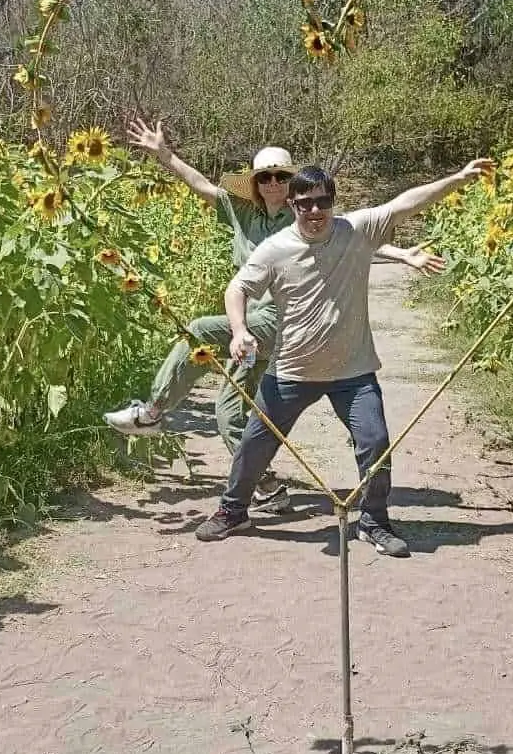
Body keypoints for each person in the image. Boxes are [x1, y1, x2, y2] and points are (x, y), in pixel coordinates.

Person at [103, 118, 441, 513]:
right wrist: (165, 156)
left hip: (285, 322)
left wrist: (402, 254)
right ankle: (263, 485)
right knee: (229, 409)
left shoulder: (303, 214)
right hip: (249, 327)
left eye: (281, 176)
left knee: (197, 330)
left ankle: (153, 411)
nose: (273, 184)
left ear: (293, 183)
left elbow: (350, 241)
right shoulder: (242, 213)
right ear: (256, 183)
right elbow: (202, 186)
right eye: (265, 177)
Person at [195, 157, 493, 555]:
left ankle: (373, 522)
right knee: (253, 444)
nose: (314, 211)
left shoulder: (355, 230)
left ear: (333, 201)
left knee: (375, 443)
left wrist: (456, 179)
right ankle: (234, 511)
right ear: (292, 205)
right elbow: (237, 289)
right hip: (290, 371)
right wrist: (239, 329)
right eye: (305, 203)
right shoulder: (275, 249)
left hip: (353, 372)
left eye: (322, 201)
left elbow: (406, 204)